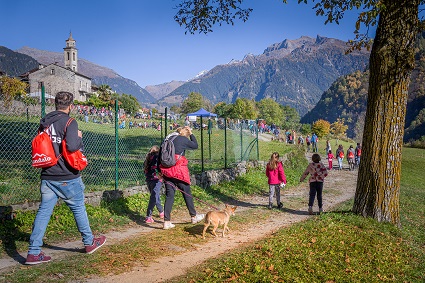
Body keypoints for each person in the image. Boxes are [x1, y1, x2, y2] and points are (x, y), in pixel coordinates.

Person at [25, 92, 106, 265]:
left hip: (47, 174)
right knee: (78, 208)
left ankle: (33, 252)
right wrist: (79, 137)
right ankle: (89, 242)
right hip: (67, 175)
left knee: (44, 212)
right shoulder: (70, 122)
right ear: (70, 106)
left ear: (55, 104)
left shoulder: (45, 122)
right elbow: (71, 146)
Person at [158, 126, 205, 229]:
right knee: (186, 193)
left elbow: (160, 155)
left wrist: (159, 170)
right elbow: (195, 145)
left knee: (169, 195)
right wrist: (191, 133)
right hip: (179, 171)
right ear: (186, 133)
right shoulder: (183, 139)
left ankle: (166, 222)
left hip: (166, 170)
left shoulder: (167, 139)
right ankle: (193, 216)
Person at [144, 145, 164, 224]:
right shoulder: (157, 157)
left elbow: (145, 170)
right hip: (157, 180)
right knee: (154, 196)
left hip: (149, 180)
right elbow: (158, 168)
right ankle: (148, 216)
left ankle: (161, 211)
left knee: (155, 195)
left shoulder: (148, 158)